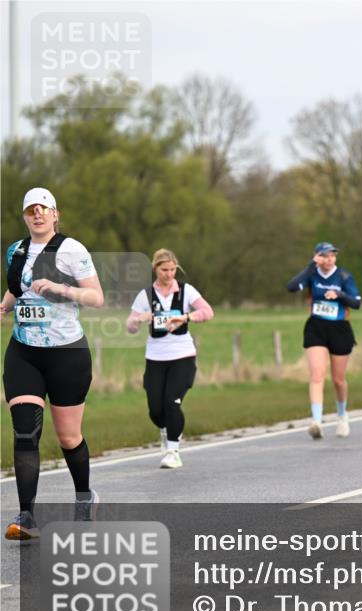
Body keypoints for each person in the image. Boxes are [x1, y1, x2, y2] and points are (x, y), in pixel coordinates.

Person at [3, 188, 103, 539]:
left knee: (68, 436)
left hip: (66, 354)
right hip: (24, 352)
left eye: (43, 209)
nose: (38, 215)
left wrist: (64, 290)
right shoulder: (14, 251)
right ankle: (26, 517)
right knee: (25, 432)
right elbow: (17, 291)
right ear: (25, 216)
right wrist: (4, 306)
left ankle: (84, 497)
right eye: (31, 210)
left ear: (55, 214)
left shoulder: (72, 249)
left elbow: (96, 296)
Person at [126, 249, 215, 468]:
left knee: (172, 402)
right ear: (155, 269)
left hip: (182, 355)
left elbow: (208, 311)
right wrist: (139, 320)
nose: (169, 274)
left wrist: (186, 317)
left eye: (173, 270)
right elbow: (130, 326)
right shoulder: (145, 295)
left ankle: (173, 451)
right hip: (155, 357)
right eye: (164, 270)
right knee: (156, 409)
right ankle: (165, 429)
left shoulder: (186, 291)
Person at [286, 242, 361, 439]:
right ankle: (317, 421)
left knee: (338, 379)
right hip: (316, 328)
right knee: (317, 375)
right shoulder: (312, 274)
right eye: (325, 256)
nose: (329, 259)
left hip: (340, 328)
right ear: (317, 256)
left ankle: (342, 415)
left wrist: (339, 294)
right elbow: (292, 287)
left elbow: (357, 302)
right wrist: (311, 266)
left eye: (332, 256)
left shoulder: (344, 276)